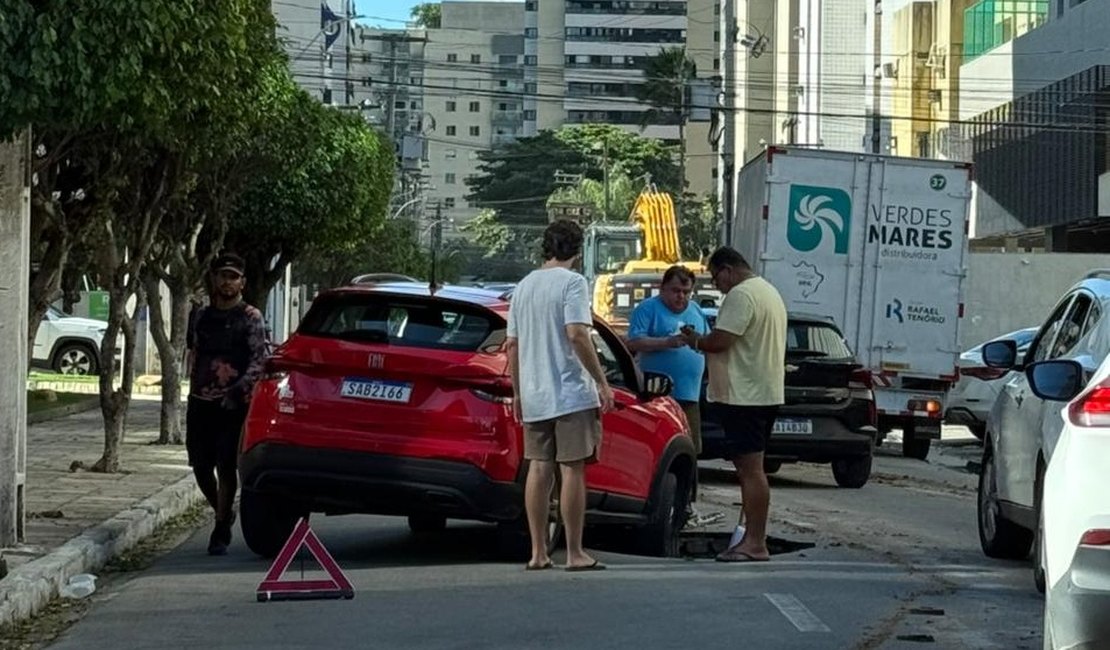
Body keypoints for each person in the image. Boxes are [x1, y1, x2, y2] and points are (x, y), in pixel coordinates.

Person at [507, 219, 615, 572]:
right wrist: (601, 381)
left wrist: (519, 393)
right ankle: (574, 552)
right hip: (570, 393)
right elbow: (577, 335)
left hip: (534, 394)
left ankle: (537, 552)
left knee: (539, 469)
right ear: (577, 250)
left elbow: (512, 346)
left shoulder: (523, 286)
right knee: (572, 471)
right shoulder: (573, 283)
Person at [681, 246, 786, 562]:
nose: (718, 285)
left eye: (716, 278)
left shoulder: (741, 295)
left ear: (728, 270)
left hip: (745, 396)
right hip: (764, 392)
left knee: (750, 471)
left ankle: (755, 542)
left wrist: (694, 340)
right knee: (751, 469)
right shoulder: (768, 291)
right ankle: (748, 537)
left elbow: (721, 341)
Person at [186, 253, 268, 556]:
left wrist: (238, 390)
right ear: (214, 279)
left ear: (242, 282)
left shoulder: (250, 317)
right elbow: (193, 354)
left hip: (233, 403)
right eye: (223, 275)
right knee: (200, 466)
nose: (227, 282)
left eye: (233, 276)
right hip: (200, 402)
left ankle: (220, 526)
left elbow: (259, 361)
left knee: (225, 465)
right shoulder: (201, 316)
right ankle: (222, 510)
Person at [625, 265, 718, 528]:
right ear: (662, 288)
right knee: (659, 451)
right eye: (676, 291)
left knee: (690, 451)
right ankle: (656, 504)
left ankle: (685, 507)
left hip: (689, 395)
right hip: (658, 397)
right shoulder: (648, 309)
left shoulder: (696, 311)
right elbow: (632, 343)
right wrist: (666, 342)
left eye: (687, 292)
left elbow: (707, 343)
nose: (681, 297)